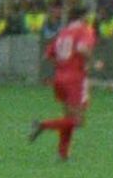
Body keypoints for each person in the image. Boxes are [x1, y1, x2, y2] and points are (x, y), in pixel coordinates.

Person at [32, 8, 96, 159]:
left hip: (60, 78)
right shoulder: (84, 30)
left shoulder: (63, 32)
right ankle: (42, 125)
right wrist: (91, 62)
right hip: (75, 78)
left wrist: (62, 65)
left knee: (68, 118)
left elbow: (47, 55)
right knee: (78, 121)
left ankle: (62, 154)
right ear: (84, 17)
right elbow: (82, 48)